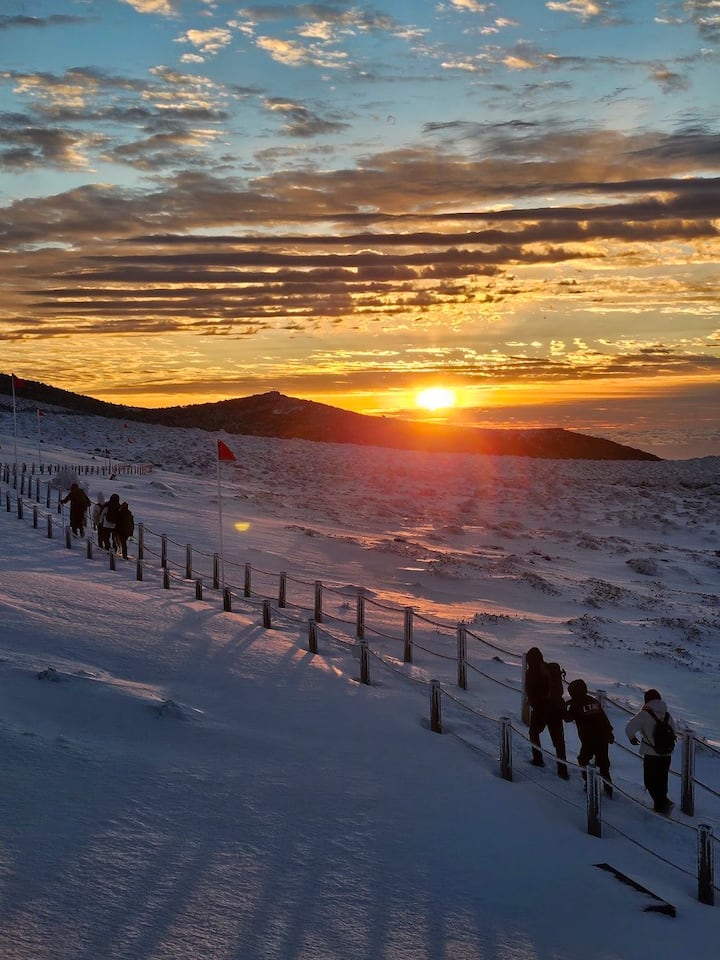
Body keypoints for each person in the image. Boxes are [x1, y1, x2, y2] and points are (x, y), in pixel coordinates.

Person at [625, 688, 677, 815]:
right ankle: (664, 802)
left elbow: (629, 728)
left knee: (650, 781)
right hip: (666, 754)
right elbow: (674, 733)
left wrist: (632, 738)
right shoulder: (667, 715)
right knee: (662, 781)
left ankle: (660, 808)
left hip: (651, 754)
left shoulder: (644, 714)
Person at [525, 646, 569, 779]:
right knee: (559, 741)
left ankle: (538, 759)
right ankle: (563, 770)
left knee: (533, 733)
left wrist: (533, 704)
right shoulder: (551, 669)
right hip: (556, 708)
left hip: (541, 710)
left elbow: (531, 693)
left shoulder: (531, 672)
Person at [565, 679, 614, 797]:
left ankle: (589, 783)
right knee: (603, 764)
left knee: (583, 760)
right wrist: (609, 732)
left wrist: (563, 708)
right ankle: (609, 788)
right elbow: (603, 718)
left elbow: (568, 718)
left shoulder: (576, 704)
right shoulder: (594, 701)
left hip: (588, 738)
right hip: (602, 736)